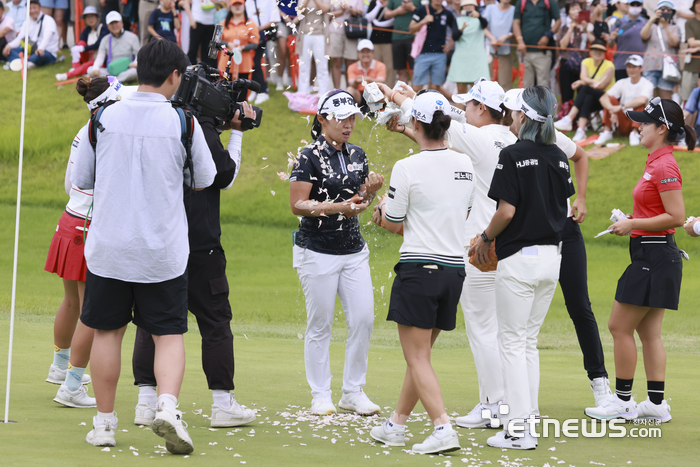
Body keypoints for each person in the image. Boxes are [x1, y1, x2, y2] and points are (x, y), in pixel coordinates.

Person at [72, 39, 217, 451]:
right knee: (168, 334)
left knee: (107, 333)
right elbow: (203, 179)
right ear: (174, 76)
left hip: (110, 247)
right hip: (162, 251)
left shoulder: (102, 117)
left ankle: (103, 423)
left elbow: (82, 178)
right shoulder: (182, 122)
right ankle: (167, 408)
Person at [131, 102, 258, 429]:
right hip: (200, 245)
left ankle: (146, 403)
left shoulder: (156, 123)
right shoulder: (198, 128)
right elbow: (224, 177)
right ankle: (222, 404)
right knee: (215, 320)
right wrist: (238, 132)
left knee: (151, 319)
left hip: (159, 239)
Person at [369, 91, 474, 454]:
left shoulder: (407, 168)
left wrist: (380, 211)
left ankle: (442, 427)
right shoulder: (465, 164)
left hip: (420, 268)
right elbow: (458, 213)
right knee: (421, 357)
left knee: (416, 358)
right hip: (453, 270)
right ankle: (395, 424)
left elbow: (393, 222)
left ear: (415, 123)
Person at [470, 86, 575, 450]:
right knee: (527, 343)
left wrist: (484, 238)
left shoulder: (513, 154)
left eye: (515, 113)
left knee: (512, 343)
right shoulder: (559, 156)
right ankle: (527, 420)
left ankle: (518, 430)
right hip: (552, 259)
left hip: (519, 260)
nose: (511, 117)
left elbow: (506, 212)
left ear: (525, 117)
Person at [584, 98, 694, 423]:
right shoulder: (655, 161)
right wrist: (631, 219)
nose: (638, 126)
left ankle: (622, 401)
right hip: (653, 252)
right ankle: (656, 405)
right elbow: (657, 211)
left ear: (662, 129)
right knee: (649, 334)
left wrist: (633, 224)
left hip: (654, 255)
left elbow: (676, 216)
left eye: (645, 122)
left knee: (618, 326)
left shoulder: (664, 165)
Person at [289, 90, 384, 417]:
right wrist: (338, 207)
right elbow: (297, 205)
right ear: (323, 120)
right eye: (341, 119)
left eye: (352, 118)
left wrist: (368, 193)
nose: (348, 125)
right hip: (316, 250)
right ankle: (320, 394)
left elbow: (357, 205)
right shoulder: (308, 156)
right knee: (321, 323)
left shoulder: (358, 154)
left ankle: (353, 391)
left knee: (363, 319)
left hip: (353, 249)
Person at [45, 77, 129, 409]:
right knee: (91, 310)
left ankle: (59, 365)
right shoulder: (108, 135)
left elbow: (71, 184)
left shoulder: (86, 130)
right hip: (88, 226)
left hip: (69, 220)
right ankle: (72, 385)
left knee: (72, 303)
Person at [554, 39, 615, 142]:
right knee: (587, 96)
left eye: (600, 50)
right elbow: (583, 77)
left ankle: (569, 118)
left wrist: (583, 82)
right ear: (590, 51)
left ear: (604, 52)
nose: (597, 52)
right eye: (595, 49)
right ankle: (581, 130)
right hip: (591, 97)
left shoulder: (609, 65)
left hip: (605, 99)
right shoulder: (586, 61)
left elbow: (601, 86)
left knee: (585, 88)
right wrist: (588, 81)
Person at [595, 54, 654, 146]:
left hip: (641, 123)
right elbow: (603, 98)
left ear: (641, 68)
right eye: (629, 67)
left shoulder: (647, 84)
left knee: (639, 102)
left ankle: (635, 133)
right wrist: (612, 109)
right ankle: (607, 131)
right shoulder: (622, 82)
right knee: (610, 99)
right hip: (622, 120)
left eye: (634, 67)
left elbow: (642, 100)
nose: (631, 69)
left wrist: (619, 107)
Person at [409, 0, 462, 95]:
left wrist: (450, 45)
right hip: (422, 53)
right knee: (417, 86)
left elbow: (456, 31)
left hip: (440, 54)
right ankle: (415, 107)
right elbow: (411, 28)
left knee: (436, 87)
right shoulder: (422, 10)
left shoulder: (447, 14)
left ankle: (432, 108)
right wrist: (424, 21)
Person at [513, 0, 561, 89]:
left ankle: (542, 103)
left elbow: (558, 21)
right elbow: (516, 23)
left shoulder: (550, 2)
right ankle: (526, 103)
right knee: (526, 84)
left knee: (543, 85)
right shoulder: (521, 2)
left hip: (543, 53)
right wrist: (520, 41)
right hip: (525, 51)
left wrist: (548, 36)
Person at [55, 6, 109, 81]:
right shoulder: (87, 30)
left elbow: (98, 44)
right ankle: (75, 67)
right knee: (80, 43)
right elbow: (80, 43)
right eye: (87, 17)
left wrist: (83, 48)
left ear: (96, 17)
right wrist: (77, 48)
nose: (90, 19)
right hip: (88, 58)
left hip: (99, 60)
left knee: (87, 65)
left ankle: (67, 75)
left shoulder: (103, 28)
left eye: (92, 16)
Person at [447, 0, 490, 94]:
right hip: (461, 59)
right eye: (466, 5)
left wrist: (479, 16)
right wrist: (461, 29)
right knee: (461, 93)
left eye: (471, 5)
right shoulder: (457, 20)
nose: (468, 7)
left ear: (475, 7)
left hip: (477, 59)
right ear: (462, 7)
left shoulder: (480, 19)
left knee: (477, 93)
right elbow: (455, 37)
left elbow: (485, 24)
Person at [640, 0, 680, 99]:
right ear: (657, 11)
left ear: (672, 13)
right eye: (662, 9)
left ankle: (664, 115)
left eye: (669, 10)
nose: (665, 11)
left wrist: (666, 27)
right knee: (649, 99)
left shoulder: (675, 28)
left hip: (667, 69)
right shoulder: (652, 26)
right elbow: (643, 36)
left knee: (665, 100)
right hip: (650, 66)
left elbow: (674, 42)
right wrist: (651, 19)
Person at [3, 0, 58, 69]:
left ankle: (20, 62)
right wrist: (9, 46)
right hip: (30, 50)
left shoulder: (48, 20)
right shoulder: (27, 22)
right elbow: (20, 38)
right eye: (30, 8)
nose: (32, 11)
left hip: (45, 51)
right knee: (8, 50)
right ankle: (28, 63)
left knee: (37, 56)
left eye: (34, 8)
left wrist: (41, 48)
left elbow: (47, 38)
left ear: (40, 8)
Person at [89, 11, 140, 83]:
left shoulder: (132, 37)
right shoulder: (105, 40)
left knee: (134, 72)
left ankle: (111, 81)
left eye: (116, 22)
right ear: (108, 26)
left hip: (127, 69)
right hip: (110, 71)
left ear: (121, 23)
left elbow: (139, 55)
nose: (114, 25)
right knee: (90, 70)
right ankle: (115, 80)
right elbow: (100, 57)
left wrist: (135, 63)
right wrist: (95, 68)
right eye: (111, 23)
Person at [244, 0, 279, 104]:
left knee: (256, 61)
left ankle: (262, 91)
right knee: (251, 63)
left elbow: (275, 19)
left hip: (261, 34)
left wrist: (258, 28)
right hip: (248, 35)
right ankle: (256, 89)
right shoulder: (248, 2)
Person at [293, 0, 330, 95]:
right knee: (304, 66)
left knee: (322, 66)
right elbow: (299, 11)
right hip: (305, 34)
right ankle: (302, 92)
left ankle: (323, 93)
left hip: (320, 34)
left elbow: (325, 9)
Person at [558, 1, 589, 108]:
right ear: (568, 13)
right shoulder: (565, 27)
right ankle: (566, 117)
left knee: (583, 94)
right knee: (566, 94)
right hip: (567, 63)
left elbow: (593, 42)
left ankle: (580, 120)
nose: (576, 11)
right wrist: (571, 28)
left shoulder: (587, 26)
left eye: (578, 8)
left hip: (583, 65)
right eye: (572, 9)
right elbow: (562, 45)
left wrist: (586, 29)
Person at [217, 0, 260, 79]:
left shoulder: (251, 24)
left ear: (244, 6)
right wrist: (228, 44)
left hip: (244, 64)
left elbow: (254, 44)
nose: (237, 7)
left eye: (239, 4)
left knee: (242, 89)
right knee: (224, 89)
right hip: (225, 64)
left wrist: (243, 48)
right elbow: (217, 41)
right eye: (234, 5)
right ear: (230, 7)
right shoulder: (223, 23)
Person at [327, 0, 363, 89]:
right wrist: (341, 11)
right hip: (335, 31)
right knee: (336, 61)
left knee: (350, 63)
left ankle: (349, 90)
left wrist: (348, 7)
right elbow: (327, 14)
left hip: (352, 32)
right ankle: (337, 90)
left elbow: (360, 13)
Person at [608, 0, 646, 81]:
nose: (635, 7)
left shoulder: (645, 23)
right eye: (633, 4)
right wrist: (611, 39)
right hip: (621, 64)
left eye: (638, 4)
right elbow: (610, 44)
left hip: (640, 65)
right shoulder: (618, 22)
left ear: (641, 6)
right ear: (628, 5)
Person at [385, 0, 420, 85]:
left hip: (414, 37)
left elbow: (426, 14)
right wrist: (397, 11)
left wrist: (412, 8)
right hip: (397, 37)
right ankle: (404, 96)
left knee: (414, 70)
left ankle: (415, 96)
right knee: (401, 71)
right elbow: (386, 15)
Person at [482, 0, 515, 91]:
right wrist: (492, 38)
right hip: (489, 50)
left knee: (505, 82)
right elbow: (483, 26)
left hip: (505, 51)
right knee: (487, 80)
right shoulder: (490, 8)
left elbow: (516, 30)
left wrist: (506, 36)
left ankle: (504, 105)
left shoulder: (514, 10)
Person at [366, 0, 395, 88]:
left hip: (389, 41)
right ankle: (374, 91)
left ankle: (390, 92)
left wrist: (377, 23)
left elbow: (393, 20)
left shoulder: (392, 2)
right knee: (374, 67)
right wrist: (378, 5)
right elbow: (368, 18)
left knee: (390, 68)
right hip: (374, 41)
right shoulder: (374, 3)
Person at [188, 0, 223, 67]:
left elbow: (224, 3)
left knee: (211, 51)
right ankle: (191, 72)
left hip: (212, 22)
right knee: (192, 50)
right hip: (197, 20)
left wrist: (217, 2)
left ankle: (209, 75)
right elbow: (186, 3)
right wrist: (191, 19)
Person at [681, 0, 700, 101]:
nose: (699, 5)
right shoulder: (689, 23)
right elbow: (691, 42)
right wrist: (695, 46)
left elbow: (695, 43)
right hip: (691, 66)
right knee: (687, 100)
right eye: (697, 2)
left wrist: (698, 47)